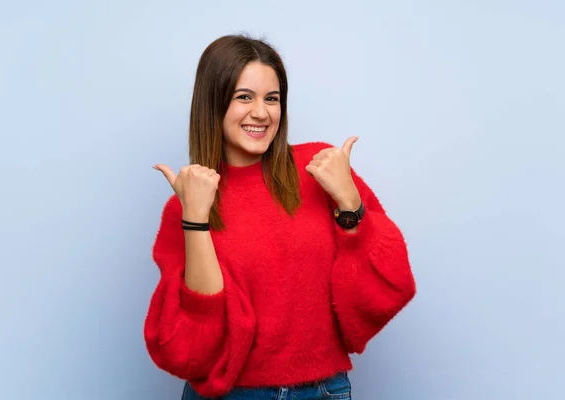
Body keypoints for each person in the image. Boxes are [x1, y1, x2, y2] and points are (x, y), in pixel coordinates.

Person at [144, 34, 416, 400]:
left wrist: (350, 202)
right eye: (244, 97)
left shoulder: (320, 169)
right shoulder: (187, 202)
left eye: (272, 99)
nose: (262, 112)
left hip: (324, 390)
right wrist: (196, 219)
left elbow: (389, 288)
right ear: (213, 103)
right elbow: (194, 348)